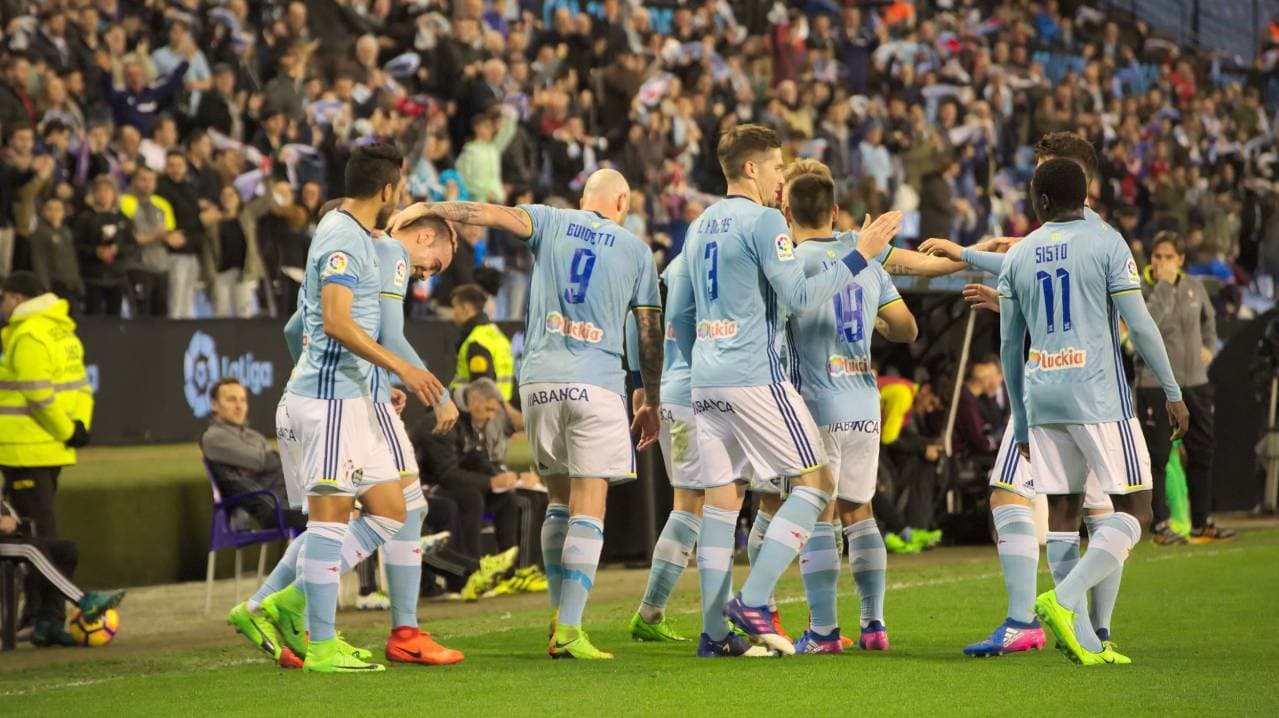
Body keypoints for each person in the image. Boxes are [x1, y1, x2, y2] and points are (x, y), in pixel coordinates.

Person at [387, 167, 666, 660]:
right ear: (623, 202)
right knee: (589, 501)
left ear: (584, 199)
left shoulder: (551, 220)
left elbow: (486, 213)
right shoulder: (636, 250)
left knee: (557, 499)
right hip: (596, 381)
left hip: (539, 382)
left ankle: (558, 619)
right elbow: (648, 333)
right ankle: (571, 629)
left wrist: (426, 208)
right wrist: (649, 397)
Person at [667, 124, 899, 657]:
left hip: (705, 380)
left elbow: (679, 311)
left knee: (722, 503)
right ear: (751, 168)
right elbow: (797, 296)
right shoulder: (766, 219)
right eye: (775, 165)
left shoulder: (699, 226)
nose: (780, 177)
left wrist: (705, 356)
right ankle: (752, 600)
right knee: (816, 484)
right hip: (755, 376)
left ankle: (714, 634)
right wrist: (860, 254)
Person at [231, 193, 463, 671]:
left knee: (359, 513)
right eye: (435, 264)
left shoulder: (340, 254)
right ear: (424, 236)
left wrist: (331, 376)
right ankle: (396, 630)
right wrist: (434, 392)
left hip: (327, 396)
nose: (427, 275)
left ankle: (263, 606)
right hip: (352, 402)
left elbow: (294, 331)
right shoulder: (389, 251)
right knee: (373, 513)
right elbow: (391, 336)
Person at [923, 132, 1127, 658]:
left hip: (1052, 388)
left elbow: (1023, 263)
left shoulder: (1063, 234)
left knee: (1009, 494)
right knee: (1098, 510)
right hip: (1102, 393)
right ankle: (1096, 631)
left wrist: (965, 253)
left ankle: (1024, 621)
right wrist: (1009, 299)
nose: (1036, 179)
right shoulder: (1102, 236)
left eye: (1045, 168)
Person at [997, 158, 1187, 666]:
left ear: (1040, 201)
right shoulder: (1107, 243)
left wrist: (1020, 417)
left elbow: (1009, 347)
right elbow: (1140, 324)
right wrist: (1172, 390)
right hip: (1099, 398)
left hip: (1043, 398)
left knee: (1063, 514)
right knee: (1137, 510)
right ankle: (1064, 600)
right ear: (1084, 197)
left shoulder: (1019, 255)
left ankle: (1085, 639)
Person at [781, 167, 918, 654]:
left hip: (814, 405)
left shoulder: (790, 263)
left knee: (819, 515)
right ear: (835, 212)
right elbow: (907, 329)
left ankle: (822, 631)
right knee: (861, 511)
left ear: (786, 212)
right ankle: (874, 624)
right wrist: (878, 326)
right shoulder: (868, 262)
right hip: (863, 403)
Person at [0, 271, 93, 632]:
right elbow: (81, 387)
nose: (3, 305)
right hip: (52, 448)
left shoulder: (27, 335)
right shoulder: (63, 331)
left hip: (24, 448)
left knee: (34, 538)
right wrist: (77, 428)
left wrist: (65, 429)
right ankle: (36, 612)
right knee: (36, 531)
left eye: (4, 298)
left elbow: (38, 395)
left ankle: (47, 616)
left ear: (17, 298)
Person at [1135, 232, 1234, 544]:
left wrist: (1209, 346)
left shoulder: (1194, 286)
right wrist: (1164, 287)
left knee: (1202, 450)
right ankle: (1160, 525)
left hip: (1195, 381)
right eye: (1157, 256)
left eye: (1168, 257)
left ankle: (1200, 523)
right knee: (1158, 455)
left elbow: (1209, 320)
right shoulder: (1140, 288)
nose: (1162, 262)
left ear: (1180, 259)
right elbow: (1146, 326)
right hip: (1156, 383)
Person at [0, 499, 125, 647]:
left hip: (11, 538)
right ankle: (84, 600)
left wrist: (11, 518)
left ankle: (49, 622)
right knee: (31, 549)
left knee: (66, 550)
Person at [199, 378, 306, 531]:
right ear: (214, 405)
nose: (239, 406)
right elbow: (264, 461)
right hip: (270, 508)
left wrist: (261, 463)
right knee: (326, 518)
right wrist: (263, 462)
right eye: (231, 400)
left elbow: (271, 462)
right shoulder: (213, 437)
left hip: (289, 501)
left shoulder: (255, 436)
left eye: (242, 400)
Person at [449, 283, 515, 400]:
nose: (453, 313)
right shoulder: (497, 334)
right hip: (502, 403)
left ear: (466, 308)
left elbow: (481, 390)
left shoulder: (477, 342)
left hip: (483, 407)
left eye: (455, 307)